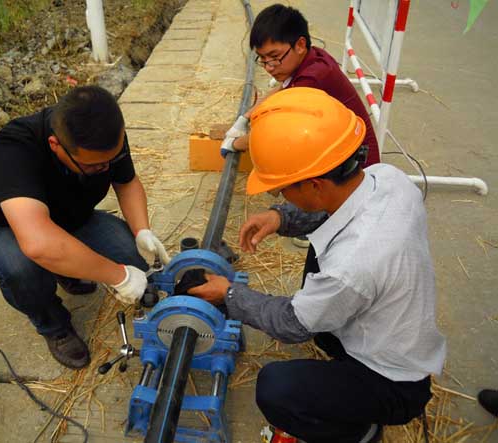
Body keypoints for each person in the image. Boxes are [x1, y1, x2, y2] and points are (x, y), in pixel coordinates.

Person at [189, 87, 446, 443]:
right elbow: (338, 207)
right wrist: (281, 217)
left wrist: (229, 295)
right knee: (322, 254)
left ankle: (358, 431)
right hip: (391, 331)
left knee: (276, 388)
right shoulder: (389, 178)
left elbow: (292, 324)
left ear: (314, 185)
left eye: (281, 190)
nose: (279, 196)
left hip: (394, 382)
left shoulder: (352, 264)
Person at [0, 85, 169, 369]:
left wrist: (142, 230)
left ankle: (66, 265)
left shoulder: (103, 132)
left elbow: (127, 182)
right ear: (56, 145)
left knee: (132, 256)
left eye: (110, 160)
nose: (106, 168)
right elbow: (38, 243)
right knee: (24, 271)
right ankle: (53, 325)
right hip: (3, 228)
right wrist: (118, 276)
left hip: (67, 216)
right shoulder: (12, 150)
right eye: (95, 166)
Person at [222, 4, 379, 168]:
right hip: (346, 150)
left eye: (274, 56)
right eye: (262, 58)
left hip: (357, 166)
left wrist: (234, 144)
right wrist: (245, 118)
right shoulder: (311, 56)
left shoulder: (312, 79)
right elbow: (281, 88)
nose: (268, 67)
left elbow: (272, 132)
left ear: (300, 45)